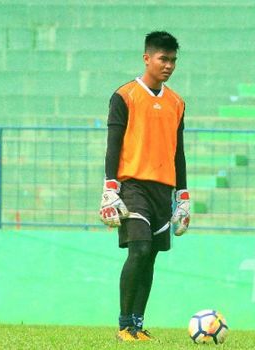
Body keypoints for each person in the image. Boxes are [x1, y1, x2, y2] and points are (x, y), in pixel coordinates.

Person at [99, 31, 190, 342]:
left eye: (173, 60)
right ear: (147, 58)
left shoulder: (177, 103)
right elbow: (113, 146)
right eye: (163, 59)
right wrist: (110, 188)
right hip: (133, 186)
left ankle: (138, 325)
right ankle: (124, 325)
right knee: (138, 249)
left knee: (150, 255)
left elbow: (179, 152)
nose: (168, 65)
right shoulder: (124, 96)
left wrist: (184, 196)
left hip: (162, 190)